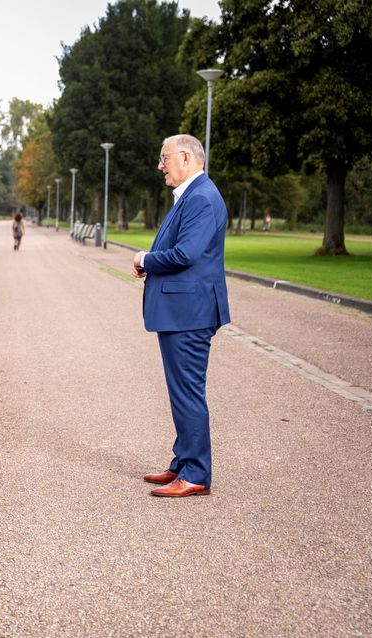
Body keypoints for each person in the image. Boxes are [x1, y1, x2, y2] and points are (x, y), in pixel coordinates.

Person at [131, 134, 231, 498]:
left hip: (190, 313)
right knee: (181, 391)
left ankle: (197, 473)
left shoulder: (202, 198)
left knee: (188, 391)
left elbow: (185, 254)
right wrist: (152, 265)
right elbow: (179, 250)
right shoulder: (191, 195)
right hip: (181, 309)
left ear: (186, 158)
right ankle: (183, 462)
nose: (161, 166)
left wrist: (145, 260)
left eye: (165, 158)